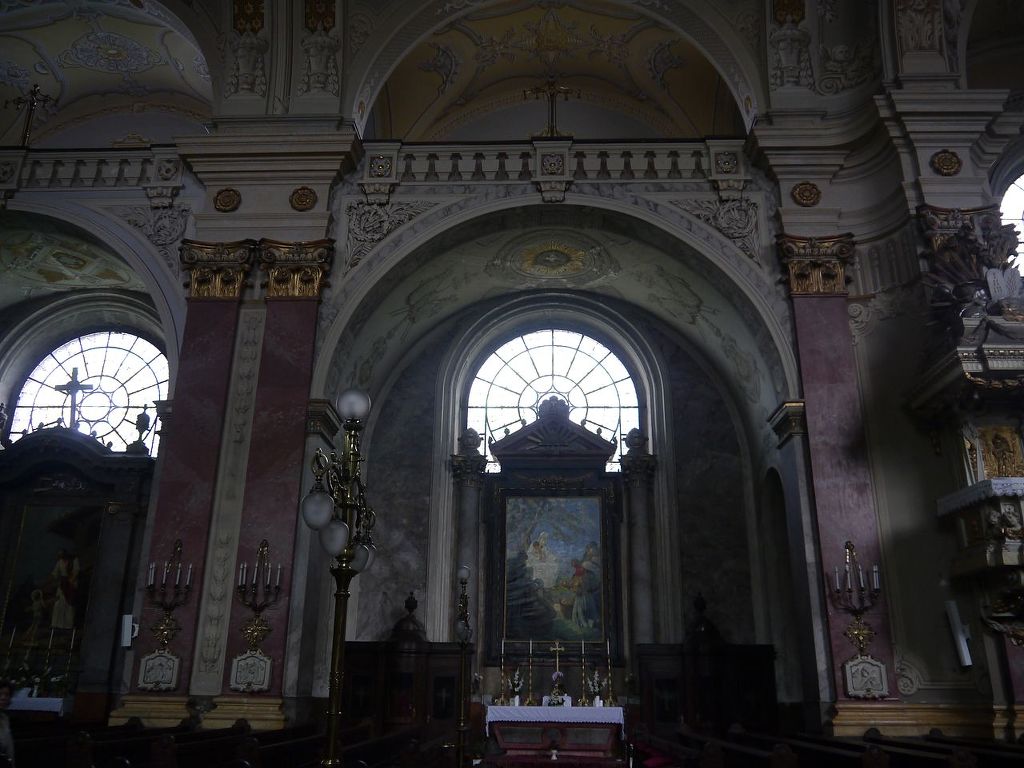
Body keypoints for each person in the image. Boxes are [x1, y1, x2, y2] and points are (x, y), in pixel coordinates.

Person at [50, 550, 79, 630]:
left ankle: (68, 626)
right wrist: (51, 580)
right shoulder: (60, 562)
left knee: (69, 605)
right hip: (62, 584)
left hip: (71, 584)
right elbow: (55, 573)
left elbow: (76, 571)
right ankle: (56, 625)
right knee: (58, 603)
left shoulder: (74, 560)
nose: (61, 557)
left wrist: (70, 581)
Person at [0, 678, 14, 768]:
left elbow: (9, 750)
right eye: (0, 694)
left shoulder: (5, 719)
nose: (3, 698)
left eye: (6, 694)